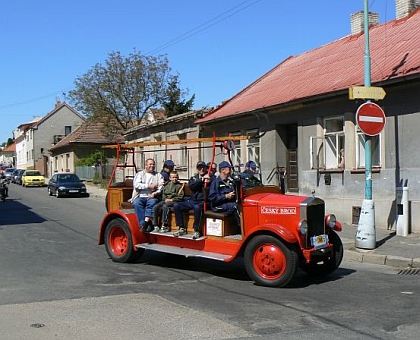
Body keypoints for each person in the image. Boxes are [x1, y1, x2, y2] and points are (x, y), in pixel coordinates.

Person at [173, 161, 215, 239]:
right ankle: (181, 227)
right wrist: (202, 180)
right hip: (193, 200)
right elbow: (192, 186)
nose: (201, 169)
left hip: (204, 202)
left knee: (197, 208)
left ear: (206, 168)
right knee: (176, 205)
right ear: (197, 169)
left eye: (203, 167)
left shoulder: (211, 178)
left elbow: (213, 187)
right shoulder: (194, 178)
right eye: (199, 168)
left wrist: (208, 181)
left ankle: (197, 230)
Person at [130, 158, 164, 233]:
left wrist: (154, 193)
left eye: (153, 164)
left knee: (152, 203)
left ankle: (145, 224)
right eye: (150, 164)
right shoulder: (140, 174)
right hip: (140, 196)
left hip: (152, 196)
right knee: (136, 203)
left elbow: (161, 186)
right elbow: (136, 185)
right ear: (146, 165)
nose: (152, 166)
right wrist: (148, 186)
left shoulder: (158, 175)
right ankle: (144, 224)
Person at [208, 161, 240, 228]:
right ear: (223, 170)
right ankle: (242, 228)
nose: (231, 171)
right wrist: (226, 196)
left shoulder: (230, 182)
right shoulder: (215, 183)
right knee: (235, 207)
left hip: (229, 203)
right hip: (218, 205)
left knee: (242, 205)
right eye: (229, 169)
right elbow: (212, 198)